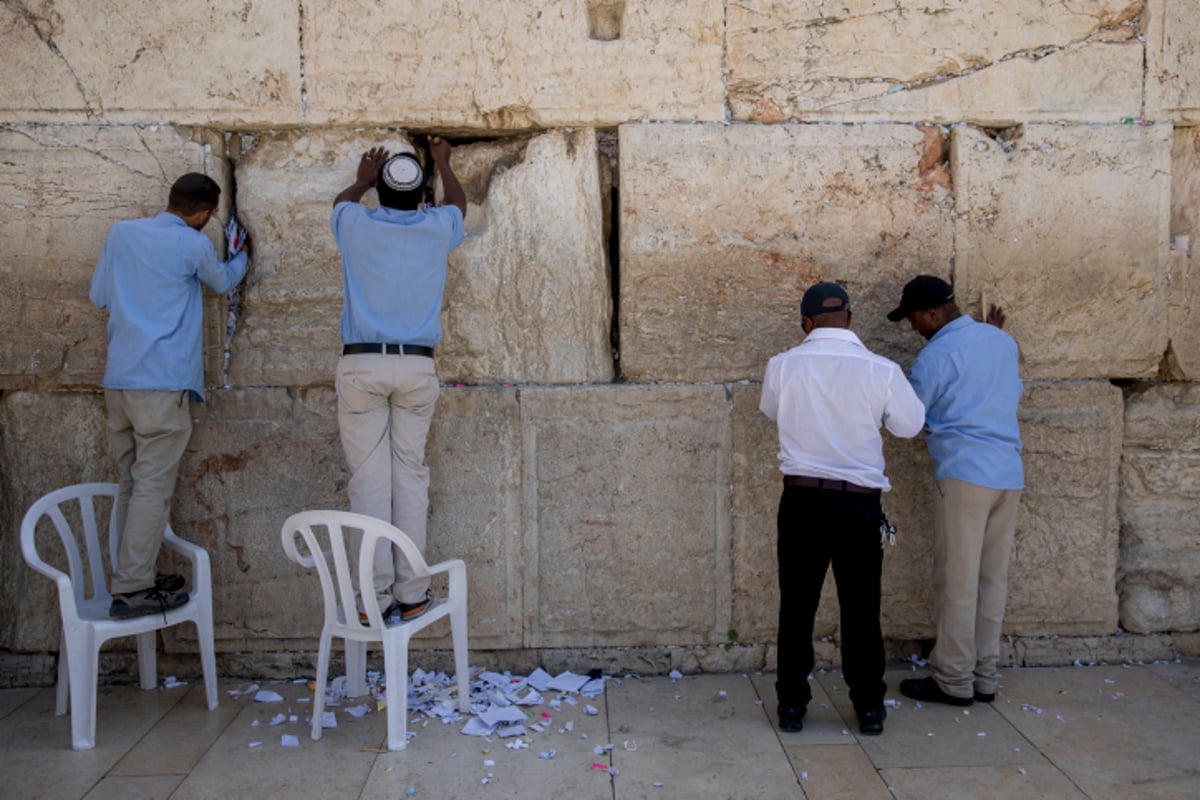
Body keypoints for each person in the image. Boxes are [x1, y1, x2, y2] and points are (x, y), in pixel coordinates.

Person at [760, 282, 925, 735]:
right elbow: (910, 426)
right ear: (850, 319)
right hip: (859, 505)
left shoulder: (782, 366)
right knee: (861, 608)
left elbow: (772, 411)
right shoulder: (882, 370)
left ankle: (791, 706)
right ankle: (869, 707)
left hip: (802, 500)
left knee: (796, 607)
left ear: (806, 323)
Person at [90, 173, 249, 618]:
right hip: (160, 384)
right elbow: (220, 282)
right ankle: (133, 586)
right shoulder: (193, 245)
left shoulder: (121, 233)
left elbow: (98, 295)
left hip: (118, 381)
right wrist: (243, 259)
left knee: (131, 482)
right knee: (152, 488)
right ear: (205, 213)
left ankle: (130, 573)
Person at [331, 137, 466, 624]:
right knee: (410, 477)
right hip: (416, 366)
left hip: (362, 364)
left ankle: (372, 600)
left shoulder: (356, 224)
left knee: (369, 482)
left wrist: (364, 178)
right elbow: (458, 205)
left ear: (382, 195)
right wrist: (444, 164)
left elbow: (342, 203)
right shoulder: (436, 227)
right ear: (420, 197)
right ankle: (412, 595)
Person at [886, 275, 1023, 707]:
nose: (912, 330)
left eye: (913, 320)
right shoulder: (1002, 342)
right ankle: (985, 676)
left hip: (965, 473)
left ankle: (953, 679)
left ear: (931, 313)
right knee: (991, 579)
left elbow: (909, 417)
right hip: (1008, 474)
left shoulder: (936, 355)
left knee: (957, 579)